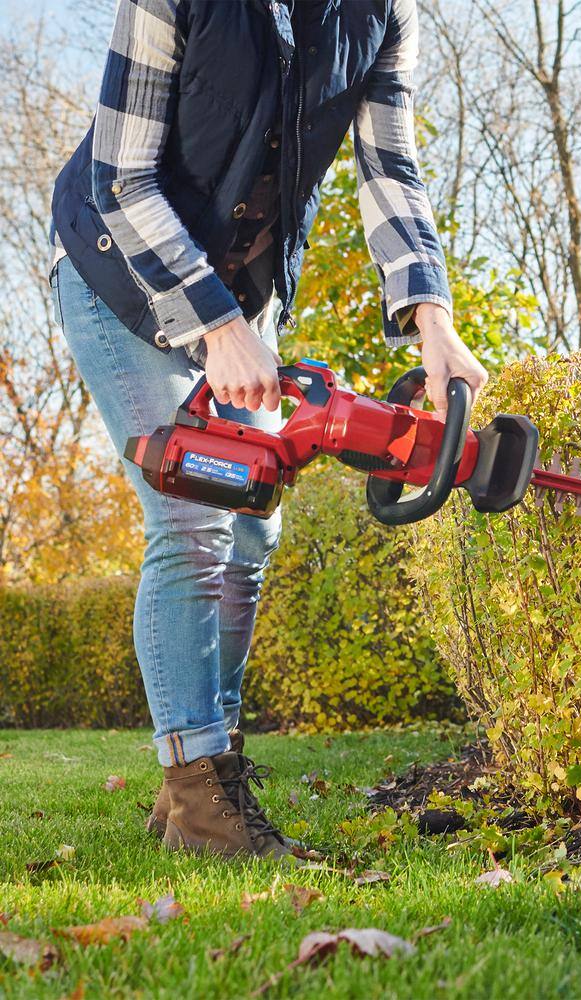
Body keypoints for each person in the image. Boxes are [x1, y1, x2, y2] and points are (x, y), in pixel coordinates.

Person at [48, 0, 487, 861]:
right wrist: (214, 323)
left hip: (243, 294)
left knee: (252, 525)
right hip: (119, 274)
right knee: (192, 513)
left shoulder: (384, 14)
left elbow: (389, 166)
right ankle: (201, 797)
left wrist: (434, 320)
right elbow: (119, 178)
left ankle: (201, 773)